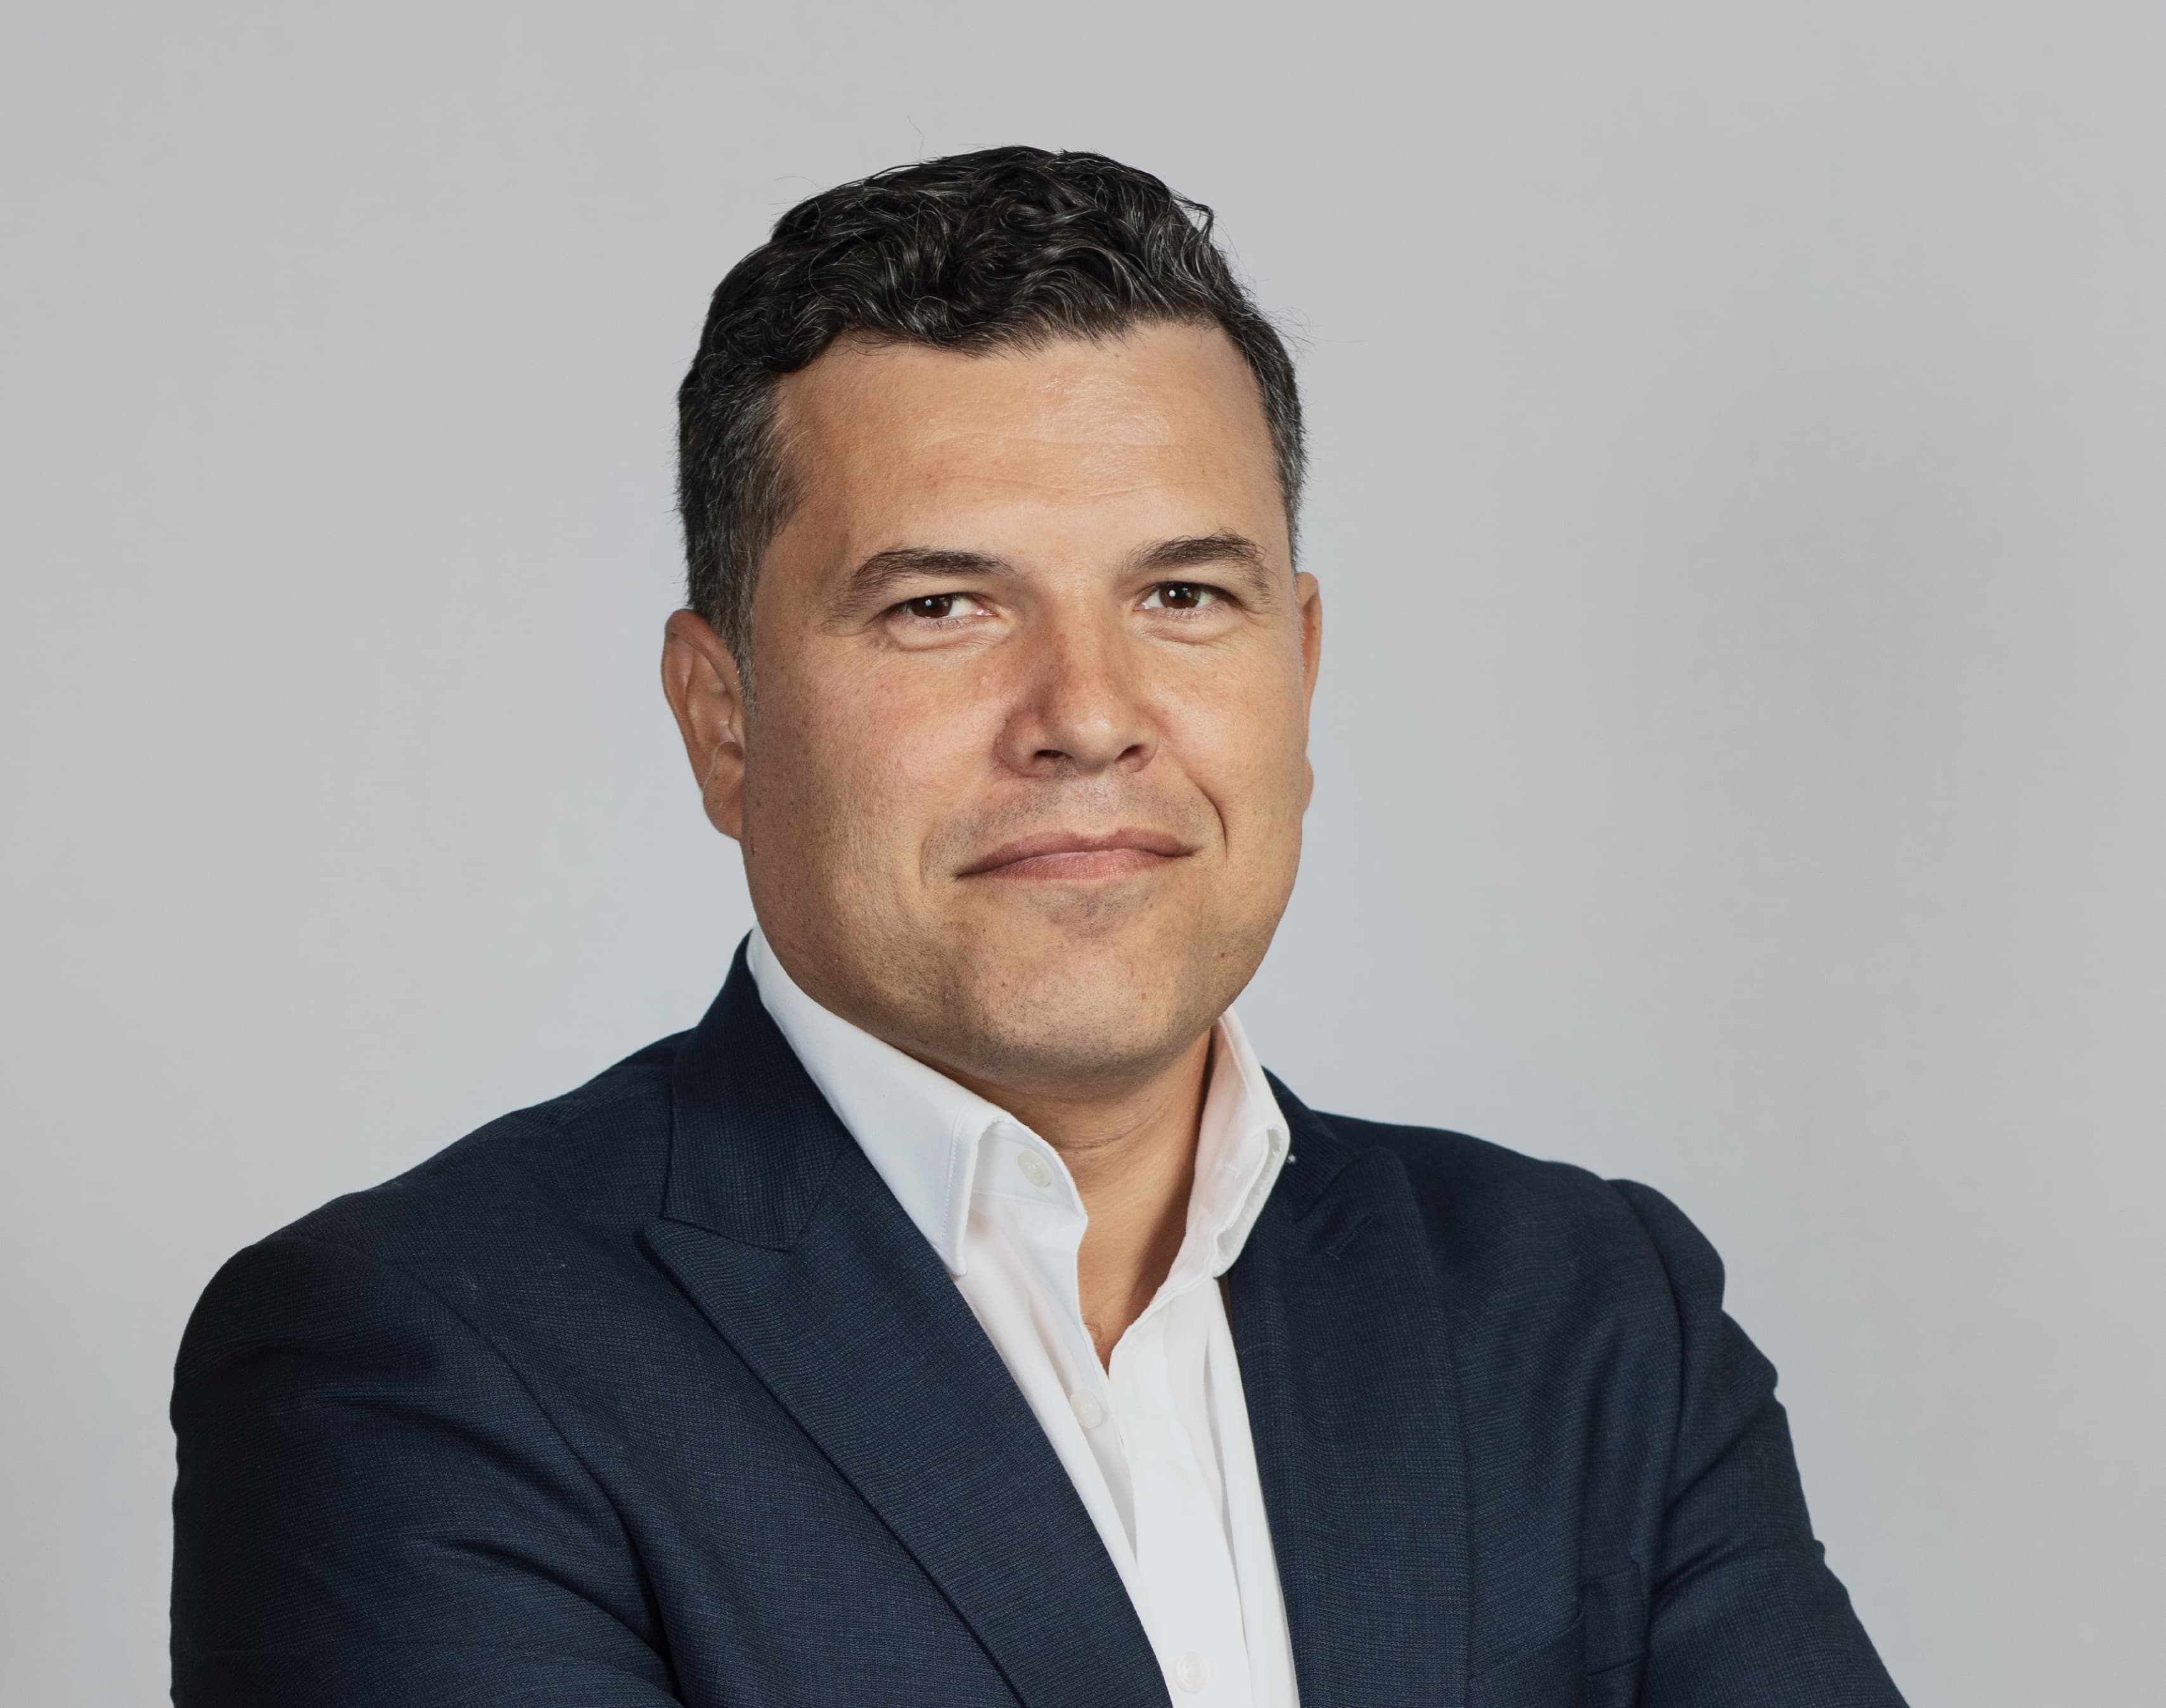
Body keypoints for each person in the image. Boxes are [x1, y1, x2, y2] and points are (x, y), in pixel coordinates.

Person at [170, 146, 1905, 1708]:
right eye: (940, 606)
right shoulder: (414, 1358)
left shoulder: (1591, 1312)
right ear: (723, 719)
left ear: (1296, 671)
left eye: (1180, 596)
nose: (1087, 713)